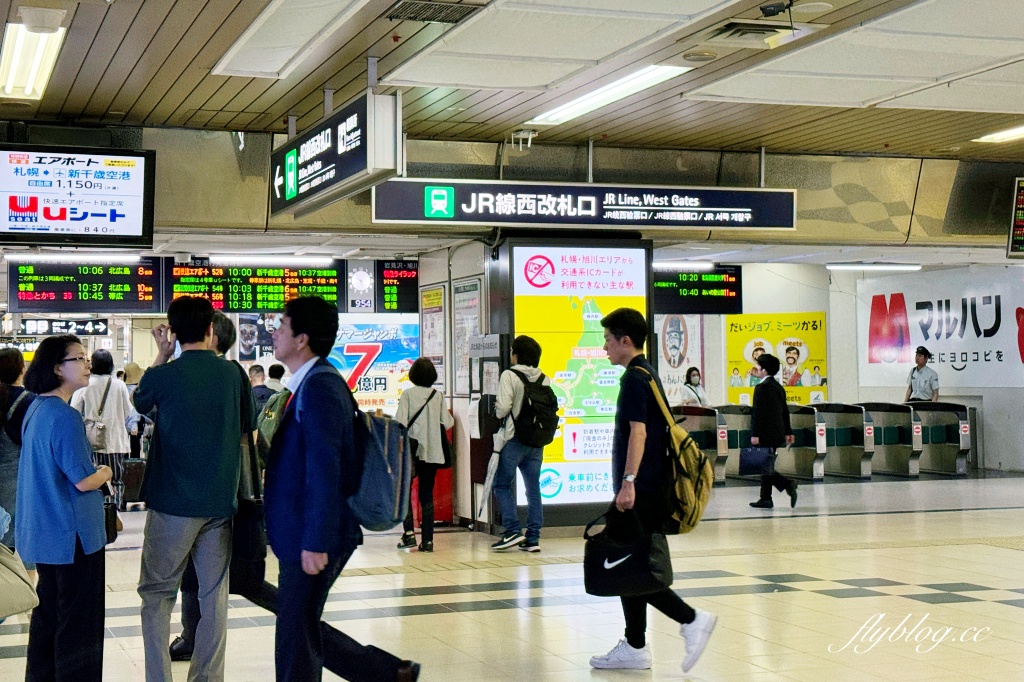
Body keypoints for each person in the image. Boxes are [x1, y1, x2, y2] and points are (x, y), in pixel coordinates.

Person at [265, 296, 420, 681]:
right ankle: (388, 673)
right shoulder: (311, 384)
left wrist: (316, 541)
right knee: (299, 627)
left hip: (317, 534)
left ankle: (388, 673)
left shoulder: (320, 387)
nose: (274, 331)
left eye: (281, 325)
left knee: (295, 635)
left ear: (302, 339)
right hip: (304, 531)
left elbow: (325, 468)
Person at [591, 308, 716, 673]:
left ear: (625, 340)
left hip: (640, 490)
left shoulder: (634, 379)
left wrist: (628, 483)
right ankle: (635, 645)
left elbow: (639, 432)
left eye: (608, 340)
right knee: (629, 566)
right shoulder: (648, 374)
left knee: (636, 567)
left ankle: (691, 619)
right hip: (645, 487)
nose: (605, 348)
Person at [133, 296, 246, 682]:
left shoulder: (164, 375)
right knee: (213, 596)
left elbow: (140, 401)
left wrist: (162, 355)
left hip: (172, 504)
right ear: (212, 330)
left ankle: (159, 678)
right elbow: (246, 428)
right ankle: (207, 678)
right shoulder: (234, 375)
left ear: (174, 334)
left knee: (157, 595)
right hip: (220, 503)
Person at [18, 335, 111, 679]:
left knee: (49, 620)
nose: (87, 364)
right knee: (79, 625)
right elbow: (83, 480)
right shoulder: (65, 416)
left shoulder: (35, 409)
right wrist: (106, 471)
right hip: (74, 537)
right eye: (79, 358)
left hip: (46, 533)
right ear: (58, 368)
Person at [170, 311, 258, 663]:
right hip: (225, 491)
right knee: (211, 576)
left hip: (204, 495)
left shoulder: (220, 374)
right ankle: (196, 640)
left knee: (201, 575)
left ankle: (193, 637)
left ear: (211, 337)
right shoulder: (233, 375)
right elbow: (248, 431)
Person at [490, 335, 549, 552]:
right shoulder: (544, 378)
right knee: (533, 488)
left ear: (517, 354)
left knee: (502, 485)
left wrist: (496, 410)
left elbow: (503, 408)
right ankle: (533, 538)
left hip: (514, 439)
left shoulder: (510, 375)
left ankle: (512, 530)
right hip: (536, 442)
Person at [395, 358, 454, 553]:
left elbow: (400, 423)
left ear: (413, 375)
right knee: (426, 496)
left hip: (411, 452)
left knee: (404, 493)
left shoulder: (408, 395)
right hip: (432, 453)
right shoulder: (437, 396)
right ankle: (428, 541)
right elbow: (448, 422)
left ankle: (409, 535)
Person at [72, 349, 133, 517]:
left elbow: (73, 412)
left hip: (90, 442)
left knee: (93, 480)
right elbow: (129, 412)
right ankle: (113, 515)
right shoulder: (119, 385)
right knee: (116, 480)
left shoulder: (84, 385)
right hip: (115, 441)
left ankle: (96, 513)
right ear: (111, 365)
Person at [0, 348, 36, 580]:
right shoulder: (29, 401)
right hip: (17, 480)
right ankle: (22, 597)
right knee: (21, 541)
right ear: (22, 370)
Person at [749, 353, 798, 510]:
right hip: (777, 432)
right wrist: (788, 431)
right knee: (766, 465)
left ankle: (787, 484)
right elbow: (785, 411)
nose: (756, 370)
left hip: (764, 433)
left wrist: (755, 434)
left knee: (765, 465)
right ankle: (765, 498)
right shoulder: (778, 387)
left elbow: (758, 413)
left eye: (758, 367)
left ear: (763, 370)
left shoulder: (761, 388)